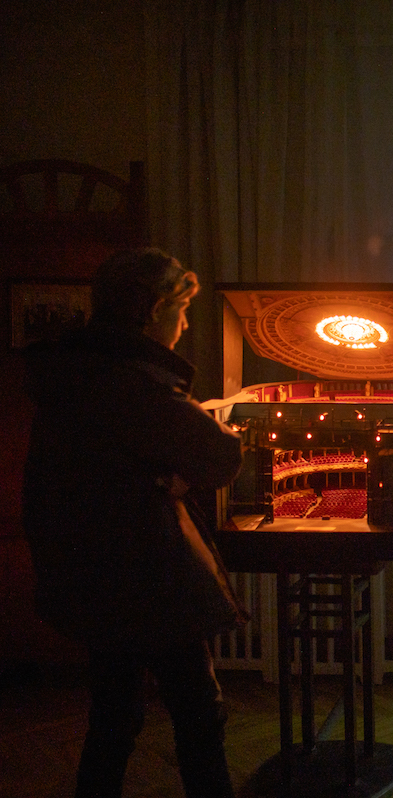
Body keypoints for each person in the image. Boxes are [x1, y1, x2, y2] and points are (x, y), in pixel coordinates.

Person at [22, 248, 246, 798]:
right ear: (153, 310)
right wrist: (187, 461)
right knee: (199, 713)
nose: (185, 325)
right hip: (148, 577)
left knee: (114, 714)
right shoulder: (134, 383)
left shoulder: (74, 372)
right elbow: (220, 456)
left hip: (93, 573)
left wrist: (166, 471)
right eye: (182, 310)